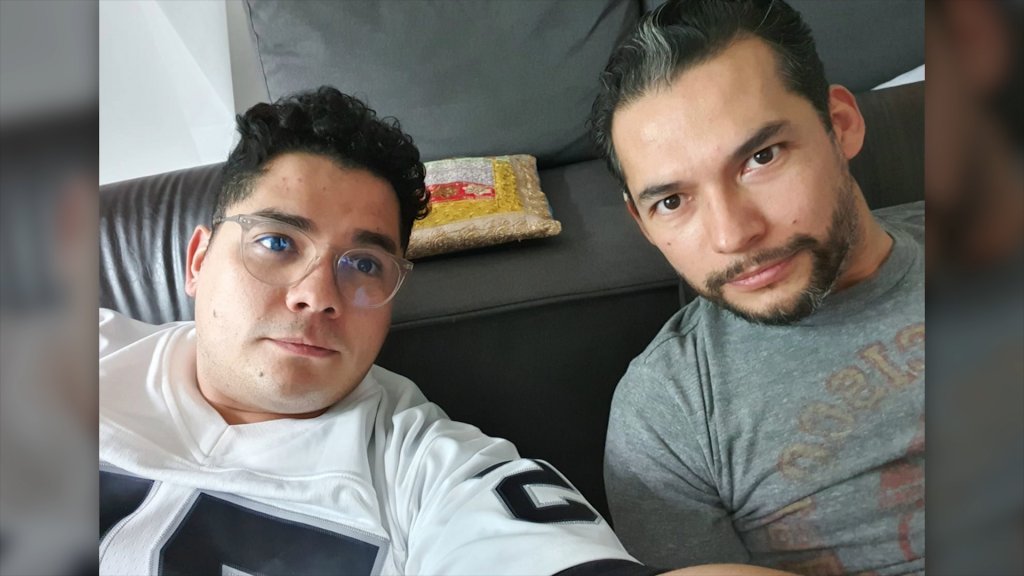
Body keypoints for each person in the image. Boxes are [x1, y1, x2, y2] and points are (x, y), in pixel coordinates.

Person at [99, 86, 793, 576]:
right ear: (197, 261)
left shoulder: (433, 468)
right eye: (277, 243)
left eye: (363, 263)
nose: (317, 295)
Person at [588, 0, 924, 574]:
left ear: (840, 126)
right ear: (642, 224)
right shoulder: (667, 416)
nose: (732, 235)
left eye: (760, 158)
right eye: (672, 202)